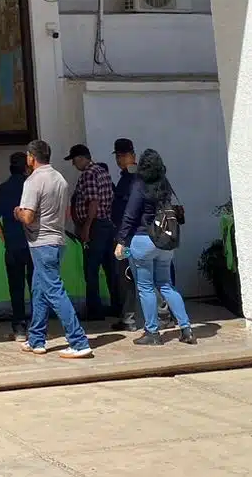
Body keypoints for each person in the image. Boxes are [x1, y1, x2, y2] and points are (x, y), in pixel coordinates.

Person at [14, 139, 92, 359]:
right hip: (58, 240)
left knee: (55, 292)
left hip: (41, 243)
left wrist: (17, 212)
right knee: (39, 290)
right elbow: (65, 212)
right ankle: (36, 339)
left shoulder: (33, 181)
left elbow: (28, 217)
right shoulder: (60, 179)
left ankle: (78, 341)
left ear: (31, 157)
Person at [114, 149, 195, 346]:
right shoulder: (165, 184)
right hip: (165, 242)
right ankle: (186, 329)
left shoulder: (139, 185)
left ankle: (152, 332)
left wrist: (121, 240)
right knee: (166, 285)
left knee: (145, 287)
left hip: (143, 240)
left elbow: (130, 215)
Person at [68, 143, 121, 324]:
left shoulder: (89, 174)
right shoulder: (102, 172)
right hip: (107, 224)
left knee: (91, 269)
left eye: (74, 161)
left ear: (82, 158)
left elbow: (93, 202)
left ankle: (95, 310)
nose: (74, 165)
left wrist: (86, 227)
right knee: (110, 268)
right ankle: (118, 306)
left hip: (95, 226)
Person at [0, 152, 31, 340]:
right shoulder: (31, 186)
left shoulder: (2, 189)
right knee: (36, 286)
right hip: (33, 244)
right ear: (26, 167)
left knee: (16, 288)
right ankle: (39, 326)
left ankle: (20, 328)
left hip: (12, 245)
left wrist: (5, 238)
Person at [108, 138, 142, 332]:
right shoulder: (128, 178)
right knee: (130, 277)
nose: (120, 159)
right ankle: (130, 317)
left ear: (132, 156)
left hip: (130, 238)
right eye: (118, 156)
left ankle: (134, 318)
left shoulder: (134, 179)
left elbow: (129, 212)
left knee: (130, 277)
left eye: (123, 155)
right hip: (132, 236)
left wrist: (121, 238)